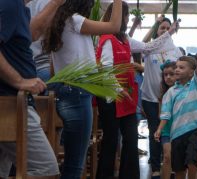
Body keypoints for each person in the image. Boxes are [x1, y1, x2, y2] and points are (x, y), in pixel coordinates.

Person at [95, 2, 179, 178]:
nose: (126, 19)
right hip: (111, 98)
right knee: (111, 142)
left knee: (131, 139)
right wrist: (119, 89)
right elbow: (105, 70)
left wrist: (169, 33)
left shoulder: (125, 39)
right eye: (125, 15)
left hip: (126, 97)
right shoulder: (107, 39)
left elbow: (147, 47)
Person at [42, 0, 123, 178]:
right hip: (77, 93)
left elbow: (52, 67)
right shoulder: (75, 20)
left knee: (72, 159)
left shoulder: (60, 22)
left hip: (62, 90)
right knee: (75, 163)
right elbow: (114, 26)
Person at [0, 0, 61, 178]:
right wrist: (19, 81)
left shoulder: (18, 7)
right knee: (46, 170)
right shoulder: (11, 4)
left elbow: (33, 32)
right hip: (11, 103)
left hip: (10, 103)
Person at [154, 39, 197, 179]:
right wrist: (159, 129)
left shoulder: (193, 85)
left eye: (181, 68)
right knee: (178, 169)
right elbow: (165, 114)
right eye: (177, 67)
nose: (177, 69)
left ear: (191, 73)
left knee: (192, 162)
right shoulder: (170, 93)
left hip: (193, 130)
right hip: (176, 134)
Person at [140, 17, 183, 178]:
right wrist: (154, 24)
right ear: (157, 30)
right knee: (154, 130)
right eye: (161, 28)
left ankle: (169, 163)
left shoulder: (175, 50)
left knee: (169, 131)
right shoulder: (150, 48)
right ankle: (155, 166)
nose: (165, 31)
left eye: (167, 28)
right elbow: (142, 44)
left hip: (171, 99)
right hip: (150, 98)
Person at [156, 61, 177, 179]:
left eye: (171, 74)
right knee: (167, 156)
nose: (168, 77)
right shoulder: (163, 95)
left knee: (179, 159)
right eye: (165, 75)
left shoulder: (183, 91)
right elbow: (160, 115)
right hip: (166, 130)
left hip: (180, 129)